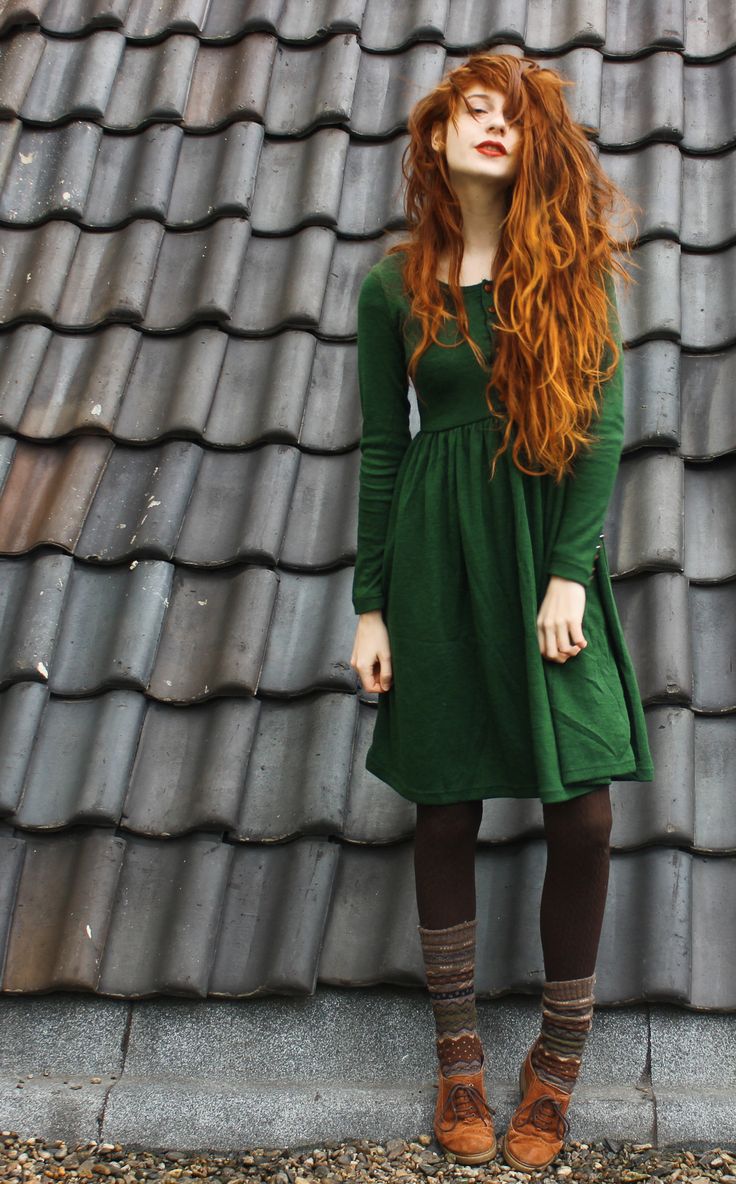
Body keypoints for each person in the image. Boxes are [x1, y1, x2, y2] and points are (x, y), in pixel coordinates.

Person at [348, 52, 655, 1173]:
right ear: (435, 139)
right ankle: (461, 1062)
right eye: (472, 112)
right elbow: (383, 449)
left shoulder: (573, 272)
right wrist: (370, 605)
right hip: (435, 558)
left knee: (585, 815)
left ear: (534, 146)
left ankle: (557, 1063)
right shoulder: (391, 289)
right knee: (444, 807)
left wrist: (569, 572)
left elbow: (601, 429)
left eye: (511, 117)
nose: (493, 127)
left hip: (541, 555)